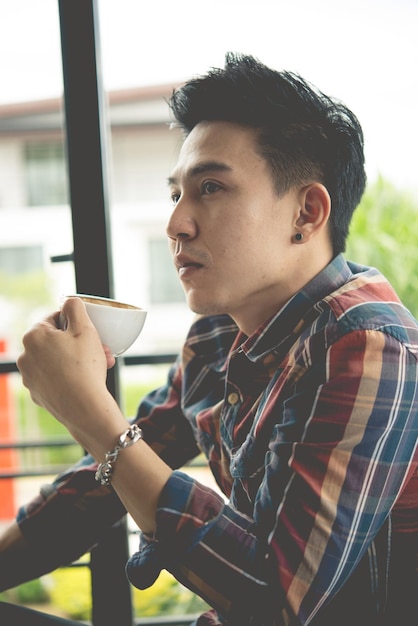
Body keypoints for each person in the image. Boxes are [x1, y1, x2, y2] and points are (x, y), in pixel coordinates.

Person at [0, 52, 417, 626]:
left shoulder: (367, 345)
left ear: (307, 212)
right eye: (176, 194)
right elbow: (101, 486)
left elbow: (276, 601)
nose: (176, 223)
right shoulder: (219, 337)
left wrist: (93, 416)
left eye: (211, 188)